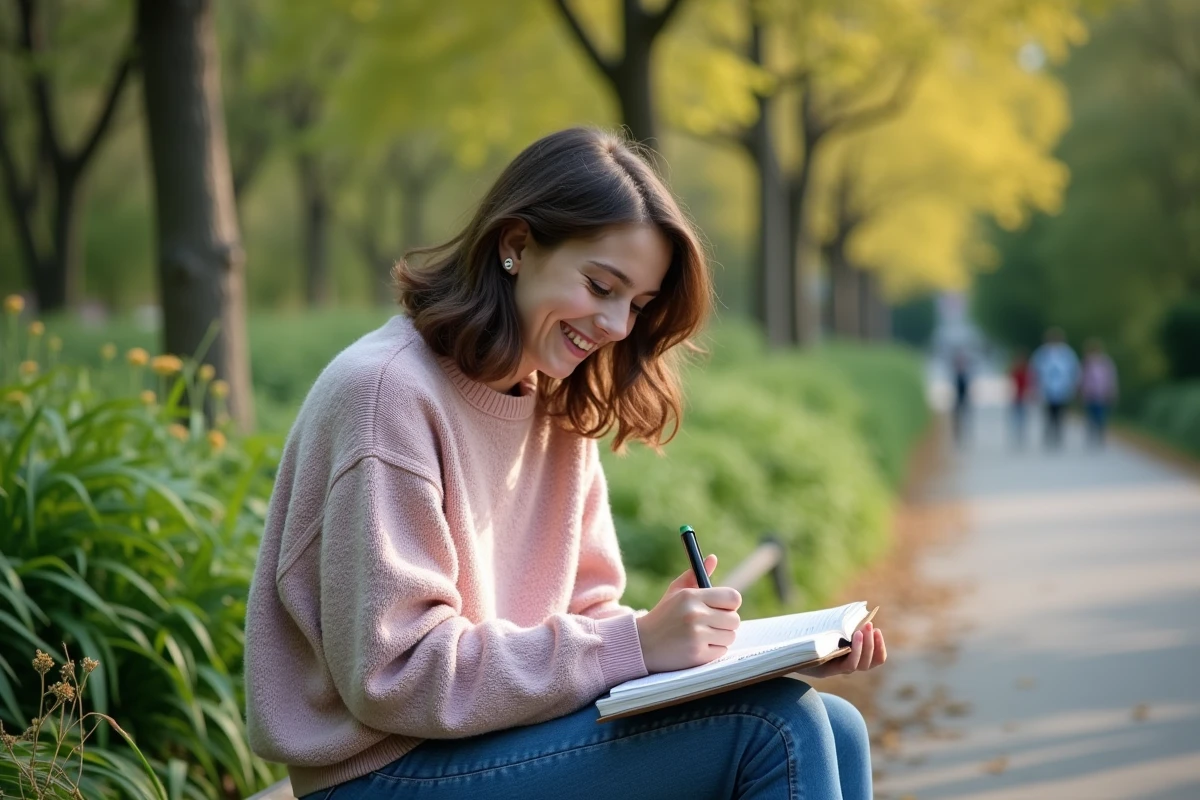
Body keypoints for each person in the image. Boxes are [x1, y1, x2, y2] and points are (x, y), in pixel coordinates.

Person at [243, 128, 886, 800]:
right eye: (601, 286)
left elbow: (587, 610)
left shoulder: (554, 401)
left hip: (497, 740)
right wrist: (631, 644)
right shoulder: (385, 396)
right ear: (515, 245)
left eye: (637, 304)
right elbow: (397, 674)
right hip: (385, 770)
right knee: (773, 729)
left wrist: (724, 651)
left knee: (833, 723)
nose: (616, 325)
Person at [1030, 327, 1080, 450]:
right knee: (1049, 414)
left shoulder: (1067, 354)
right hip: (1047, 389)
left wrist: (1074, 386)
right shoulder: (1042, 353)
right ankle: (1049, 435)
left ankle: (1058, 435)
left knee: (1060, 414)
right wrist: (1034, 387)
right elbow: (1034, 371)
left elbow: (1074, 370)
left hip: (1063, 389)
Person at [1080, 338, 1118, 447]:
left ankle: (1100, 435)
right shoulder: (1086, 363)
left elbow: (1111, 378)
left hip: (1102, 393)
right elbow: (1082, 378)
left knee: (1100, 416)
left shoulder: (1105, 363)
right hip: (1089, 394)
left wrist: (1111, 391)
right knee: (1090, 416)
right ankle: (1092, 435)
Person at [1008, 348, 1032, 447]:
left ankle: (1021, 433)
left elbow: (1029, 383)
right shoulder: (1015, 370)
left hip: (1023, 396)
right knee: (1016, 416)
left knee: (1023, 416)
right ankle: (1016, 433)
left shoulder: (1026, 371)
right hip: (1016, 396)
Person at [951, 348, 972, 446]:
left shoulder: (965, 375)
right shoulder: (957, 375)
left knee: (964, 418)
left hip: (964, 400)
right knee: (957, 419)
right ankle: (957, 436)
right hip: (958, 400)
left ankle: (963, 436)